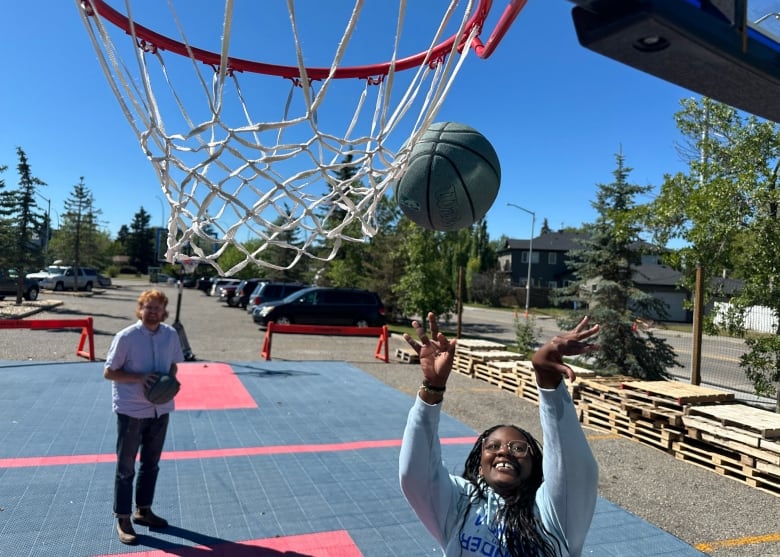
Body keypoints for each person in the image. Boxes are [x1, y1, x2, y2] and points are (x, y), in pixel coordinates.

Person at [399, 313, 600, 557]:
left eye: (518, 448)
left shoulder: (552, 512)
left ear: (535, 467)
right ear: (480, 467)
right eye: (492, 446)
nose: (504, 451)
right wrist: (432, 390)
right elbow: (415, 474)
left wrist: (549, 383)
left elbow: (576, 471)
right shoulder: (459, 505)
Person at [104, 289, 184, 545]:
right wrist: (139, 378)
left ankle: (144, 510)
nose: (153, 312)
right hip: (132, 411)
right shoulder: (126, 337)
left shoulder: (170, 335)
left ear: (164, 311)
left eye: (157, 308)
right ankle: (123, 517)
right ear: (140, 309)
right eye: (148, 307)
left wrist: (170, 381)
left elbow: (173, 364)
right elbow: (109, 372)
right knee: (126, 467)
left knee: (151, 464)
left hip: (160, 409)